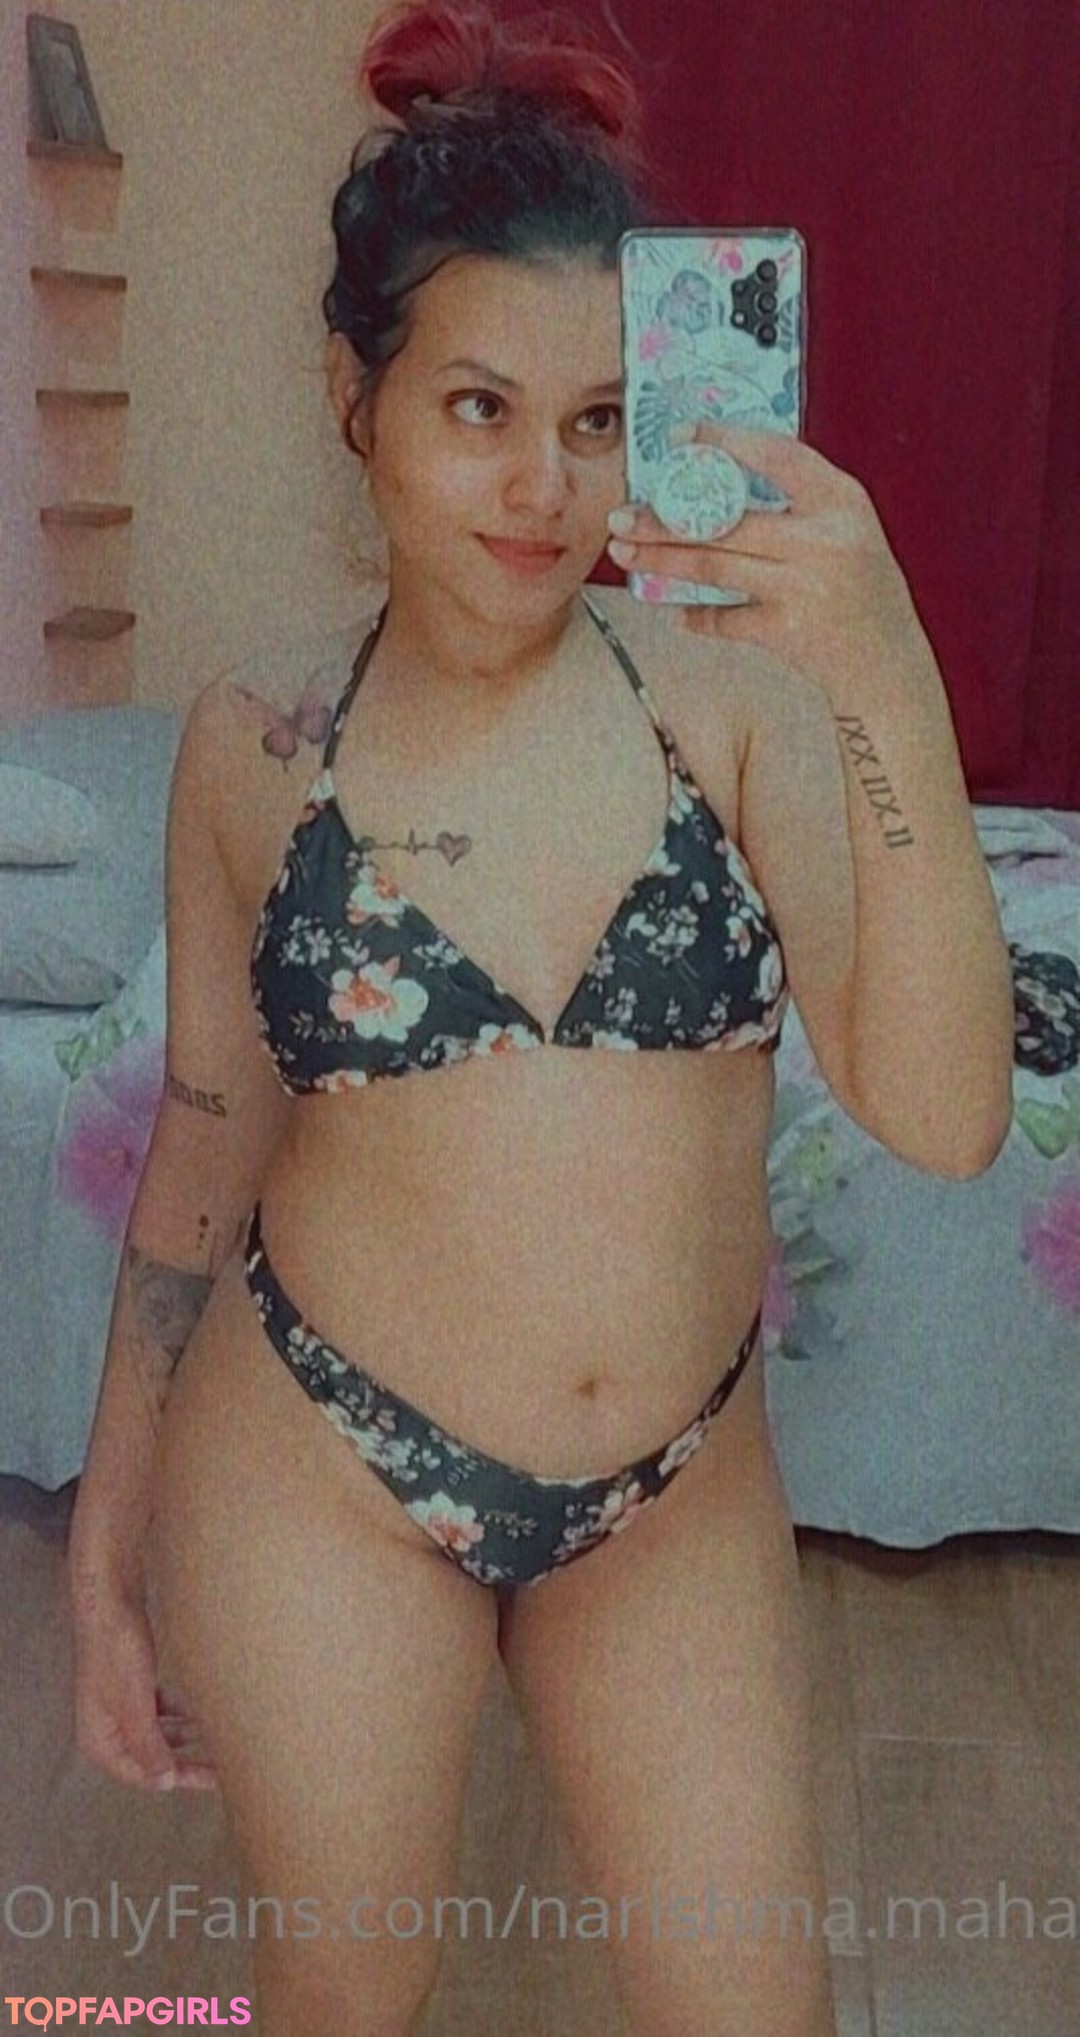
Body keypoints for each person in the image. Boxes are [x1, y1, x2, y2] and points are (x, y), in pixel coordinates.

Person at [67, 3, 1015, 2033]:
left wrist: (884, 662)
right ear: (358, 396)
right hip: (319, 1462)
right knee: (346, 1997)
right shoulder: (256, 744)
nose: (542, 483)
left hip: (673, 1487)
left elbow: (944, 1115)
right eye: (479, 405)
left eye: (597, 420)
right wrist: (101, 1543)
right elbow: (208, 1139)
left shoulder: (734, 710)